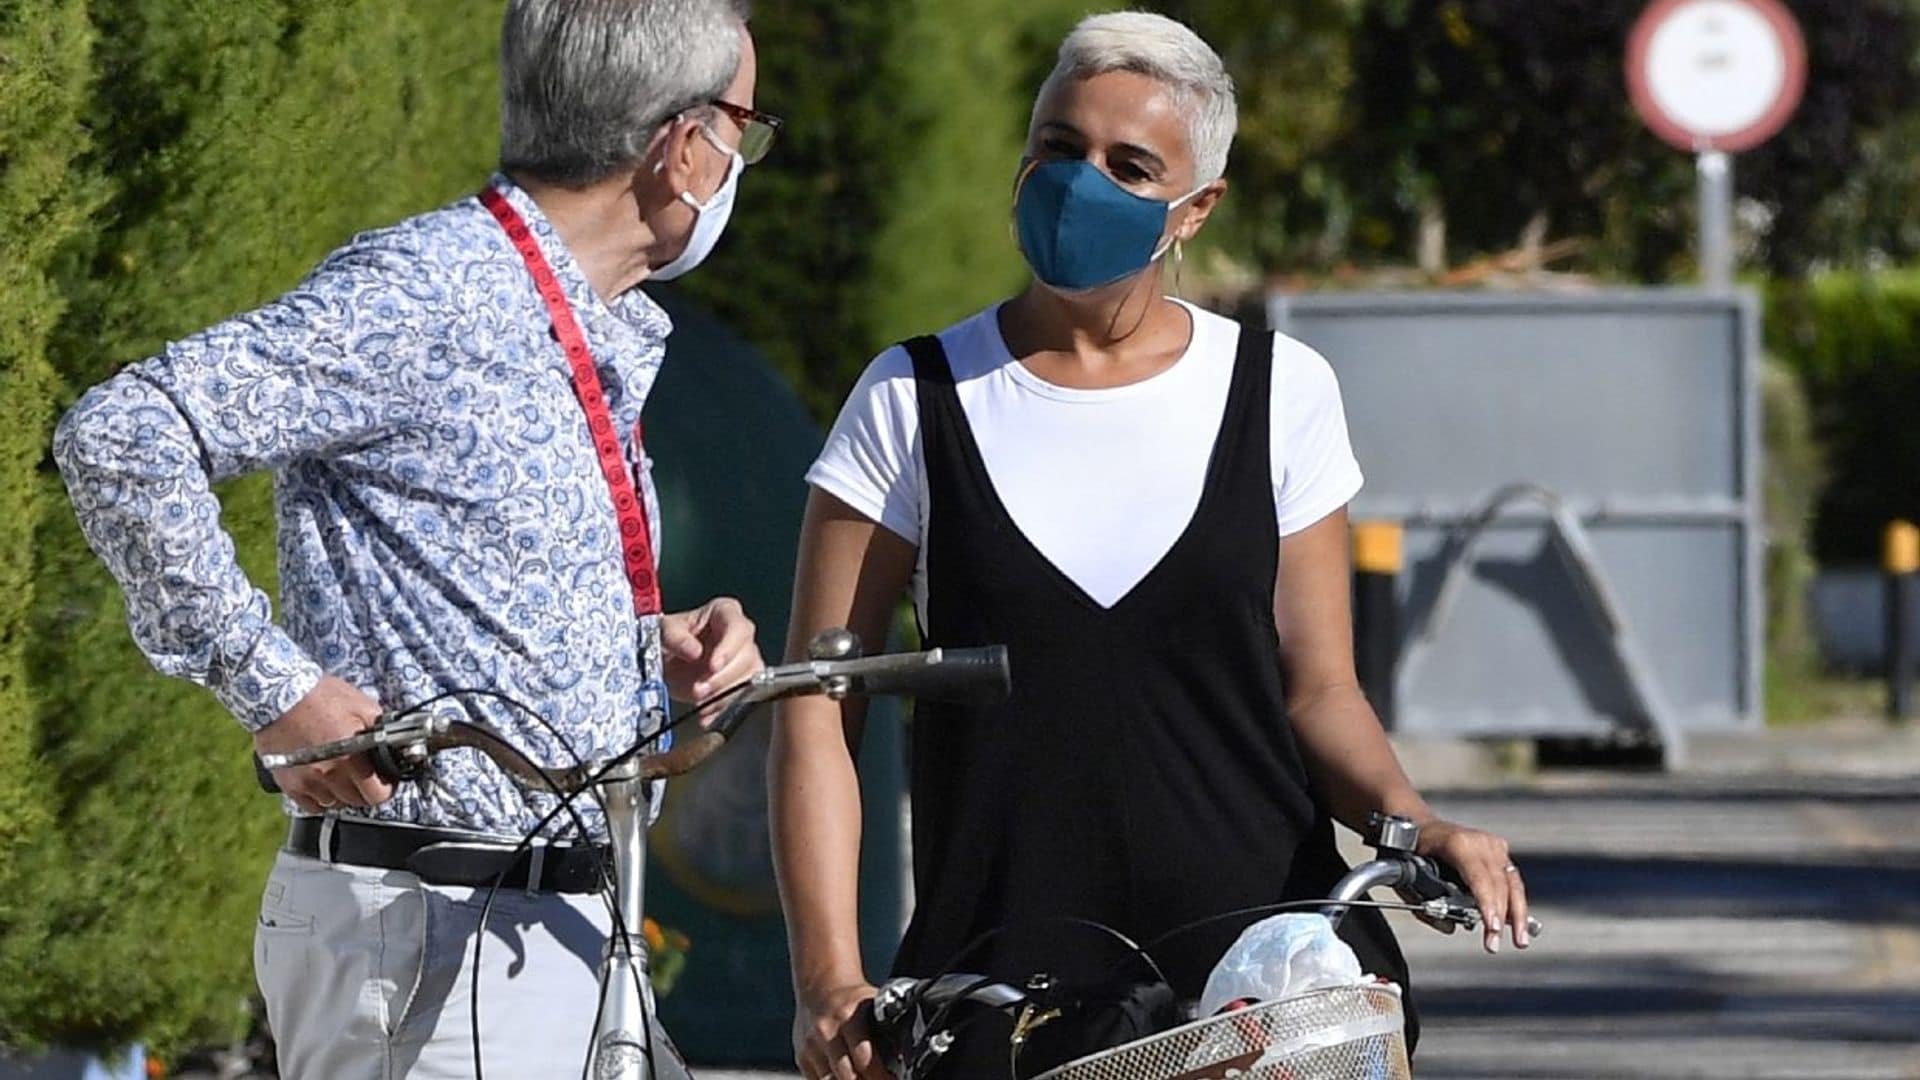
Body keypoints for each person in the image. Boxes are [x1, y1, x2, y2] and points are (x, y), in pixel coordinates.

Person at [770, 11, 1530, 1079]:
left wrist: (1414, 825)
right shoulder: (913, 400)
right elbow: (817, 702)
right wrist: (827, 976)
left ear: (1194, 209)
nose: (1081, 183)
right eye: (1058, 148)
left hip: (1269, 994)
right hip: (999, 992)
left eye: (1131, 166)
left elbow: (1319, 690)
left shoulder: (1280, 394)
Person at [52, 0, 781, 1074]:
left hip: (553, 921)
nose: (741, 160)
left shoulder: (582, 316)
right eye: (744, 128)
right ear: (682, 149)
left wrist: (631, 643)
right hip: (432, 926)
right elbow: (122, 435)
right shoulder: (435, 291)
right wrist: (272, 687)